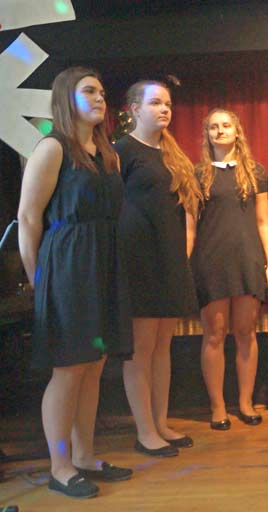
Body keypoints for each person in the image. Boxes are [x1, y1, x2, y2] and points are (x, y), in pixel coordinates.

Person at [18, 66, 133, 499]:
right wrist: (37, 279)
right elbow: (28, 218)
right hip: (67, 267)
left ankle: (84, 456)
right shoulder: (53, 148)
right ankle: (60, 466)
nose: (100, 97)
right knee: (68, 370)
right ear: (67, 97)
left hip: (102, 264)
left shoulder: (107, 153)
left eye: (102, 91)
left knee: (94, 365)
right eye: (89, 91)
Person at [118, 80, 201, 456]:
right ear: (135, 109)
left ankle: (161, 422)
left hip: (169, 260)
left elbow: (184, 210)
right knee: (141, 349)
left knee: (162, 347)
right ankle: (145, 431)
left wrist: (182, 254)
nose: (164, 109)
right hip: (139, 261)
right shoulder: (122, 151)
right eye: (155, 103)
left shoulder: (172, 153)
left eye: (167, 103)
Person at [192, 109, 268, 430]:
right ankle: (217, 407)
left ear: (237, 131)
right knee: (214, 334)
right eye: (214, 127)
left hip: (247, 259)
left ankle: (245, 402)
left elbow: (264, 222)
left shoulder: (255, 171)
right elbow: (190, 225)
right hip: (210, 261)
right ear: (207, 134)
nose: (220, 131)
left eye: (226, 125)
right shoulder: (198, 174)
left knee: (245, 332)